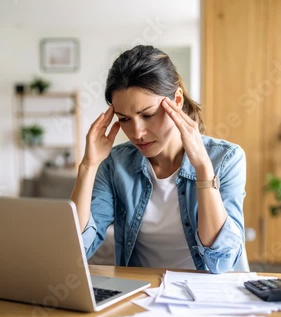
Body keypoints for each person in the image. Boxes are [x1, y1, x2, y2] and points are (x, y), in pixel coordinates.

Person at [71, 45, 246, 274]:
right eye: (124, 119)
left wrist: (203, 168)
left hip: (206, 296)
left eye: (148, 115)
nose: (137, 133)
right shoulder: (115, 164)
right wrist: (88, 166)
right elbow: (77, 250)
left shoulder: (226, 158)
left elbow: (220, 262)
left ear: (177, 100)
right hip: (142, 295)